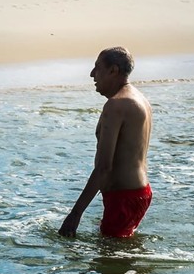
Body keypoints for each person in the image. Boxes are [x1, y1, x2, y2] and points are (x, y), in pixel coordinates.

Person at [59, 46, 152, 239]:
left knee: (109, 263)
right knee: (119, 253)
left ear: (113, 70)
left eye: (97, 68)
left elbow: (104, 167)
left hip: (124, 198)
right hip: (138, 193)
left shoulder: (116, 105)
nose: (92, 74)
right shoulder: (140, 98)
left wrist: (75, 214)